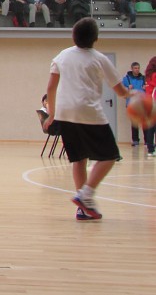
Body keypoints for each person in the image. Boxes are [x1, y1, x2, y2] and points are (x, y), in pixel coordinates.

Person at [43, 18, 132, 220]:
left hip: (65, 114)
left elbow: (50, 87)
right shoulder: (100, 58)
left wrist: (52, 114)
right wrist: (131, 94)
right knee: (110, 156)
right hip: (88, 111)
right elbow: (119, 91)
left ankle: (83, 209)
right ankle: (86, 194)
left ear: (73, 36)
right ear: (96, 38)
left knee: (79, 159)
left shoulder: (62, 56)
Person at [122, 62, 146, 146]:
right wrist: (128, 88)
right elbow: (123, 92)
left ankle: (147, 141)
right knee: (134, 123)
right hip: (131, 103)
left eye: (138, 68)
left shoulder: (143, 78)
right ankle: (135, 140)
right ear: (132, 69)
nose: (137, 70)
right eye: (135, 68)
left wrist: (145, 88)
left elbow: (148, 90)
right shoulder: (126, 79)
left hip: (142, 103)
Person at [143, 56, 156, 157]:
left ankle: (150, 149)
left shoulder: (148, 75)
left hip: (148, 103)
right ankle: (151, 149)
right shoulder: (155, 75)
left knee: (151, 127)